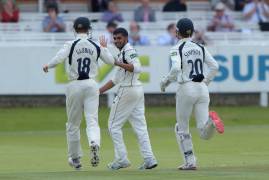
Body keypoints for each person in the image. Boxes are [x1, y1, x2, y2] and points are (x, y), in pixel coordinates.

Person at [42, 17, 115, 170]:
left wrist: (49, 65)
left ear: (75, 29)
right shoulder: (96, 45)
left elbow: (59, 58)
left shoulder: (70, 44)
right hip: (91, 84)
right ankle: (94, 142)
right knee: (92, 120)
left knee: (73, 124)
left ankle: (75, 159)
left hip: (74, 85)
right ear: (89, 29)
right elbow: (110, 61)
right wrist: (105, 47)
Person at [160, 18, 224, 170]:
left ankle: (190, 162)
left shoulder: (176, 48)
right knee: (203, 131)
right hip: (202, 88)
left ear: (177, 32)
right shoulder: (200, 47)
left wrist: (165, 82)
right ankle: (211, 122)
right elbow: (215, 66)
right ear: (192, 31)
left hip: (186, 88)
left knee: (181, 128)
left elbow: (175, 69)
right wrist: (205, 83)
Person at [99, 27, 158, 170]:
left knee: (113, 126)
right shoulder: (123, 53)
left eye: (119, 38)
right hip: (136, 90)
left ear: (126, 38)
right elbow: (115, 79)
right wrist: (98, 91)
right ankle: (149, 158)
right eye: (115, 38)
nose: (117, 41)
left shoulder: (129, 51)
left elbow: (137, 68)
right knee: (140, 127)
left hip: (128, 90)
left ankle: (121, 159)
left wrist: (117, 62)